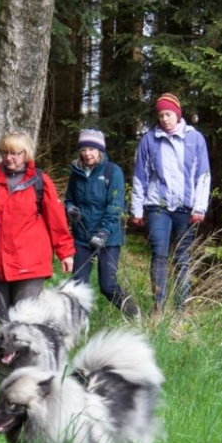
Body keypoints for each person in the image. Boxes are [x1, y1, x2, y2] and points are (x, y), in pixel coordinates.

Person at [130, 93, 211, 314]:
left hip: (186, 208)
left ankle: (180, 307)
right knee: (159, 252)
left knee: (182, 257)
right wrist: (137, 209)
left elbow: (203, 176)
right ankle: (158, 305)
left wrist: (199, 208)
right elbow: (140, 176)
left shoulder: (195, 139)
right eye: (160, 115)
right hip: (158, 206)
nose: (164, 119)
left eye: (168, 114)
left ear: (177, 114)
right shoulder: (149, 140)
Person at [0, 130, 74, 321]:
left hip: (30, 261)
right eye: (5, 153)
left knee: (25, 316)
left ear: (26, 154)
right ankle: (8, 351)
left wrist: (65, 253)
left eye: (15, 153)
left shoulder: (40, 181)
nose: (9, 158)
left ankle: (33, 350)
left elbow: (56, 219)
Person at [65, 129, 140, 319]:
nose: (87, 153)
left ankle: (134, 314)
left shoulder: (112, 172)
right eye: (83, 149)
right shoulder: (76, 172)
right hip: (82, 236)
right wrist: (70, 209)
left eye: (91, 149)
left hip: (108, 238)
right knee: (77, 286)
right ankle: (78, 326)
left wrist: (103, 233)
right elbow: (69, 199)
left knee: (108, 286)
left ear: (100, 151)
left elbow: (116, 206)